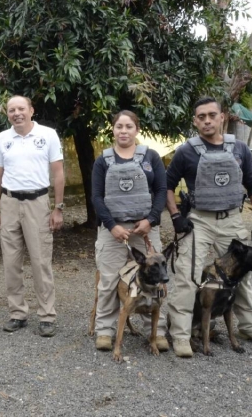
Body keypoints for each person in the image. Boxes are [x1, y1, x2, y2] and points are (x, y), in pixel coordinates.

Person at [166, 97, 252, 358]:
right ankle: (181, 335)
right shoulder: (186, 151)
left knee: (241, 277)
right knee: (187, 276)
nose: (207, 120)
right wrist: (175, 217)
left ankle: (249, 327)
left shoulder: (239, 149)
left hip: (231, 220)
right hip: (199, 221)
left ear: (222, 117)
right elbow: (167, 185)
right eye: (201, 116)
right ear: (195, 121)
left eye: (211, 115)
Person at [91, 110, 168, 351]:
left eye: (129, 126)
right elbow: (96, 197)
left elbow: (161, 190)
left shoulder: (151, 157)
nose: (123, 131)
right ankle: (105, 331)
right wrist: (112, 225)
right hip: (112, 230)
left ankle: (155, 332)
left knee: (156, 280)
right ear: (112, 130)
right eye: (119, 126)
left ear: (137, 130)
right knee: (108, 280)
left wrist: (151, 220)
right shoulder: (102, 160)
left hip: (144, 228)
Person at [0, 95, 64, 337]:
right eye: (12, 110)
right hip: (9, 202)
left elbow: (59, 173)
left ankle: (46, 315)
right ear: (7, 114)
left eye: (21, 108)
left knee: (41, 261)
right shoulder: (3, 138)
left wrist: (58, 208)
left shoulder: (48, 135)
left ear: (31, 110)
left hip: (37, 202)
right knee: (11, 262)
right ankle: (17, 313)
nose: (16, 113)